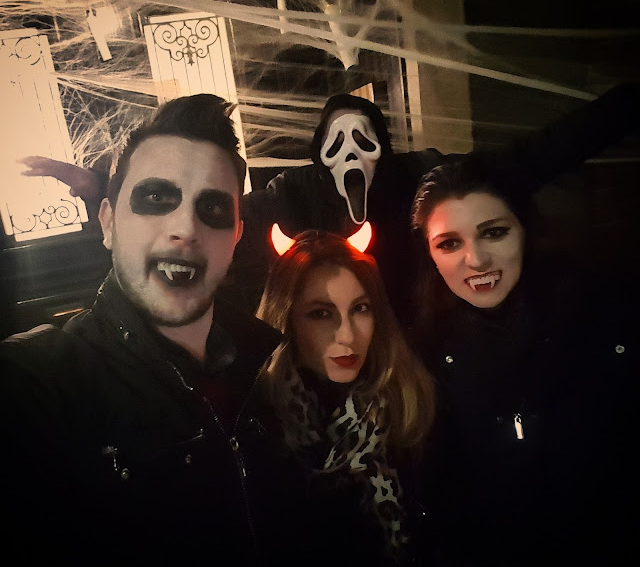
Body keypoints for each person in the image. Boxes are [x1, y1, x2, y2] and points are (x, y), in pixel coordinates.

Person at [18, 83, 640, 322]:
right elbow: (210, 221)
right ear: (320, 157)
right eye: (336, 146)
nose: (352, 156)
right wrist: (109, 194)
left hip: (428, 343)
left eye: (365, 142)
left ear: (384, 150)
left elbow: (533, 156)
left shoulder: (421, 177)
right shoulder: (292, 194)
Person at [0, 94, 307, 564]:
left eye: (212, 207)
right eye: (157, 198)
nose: (185, 227)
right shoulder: (37, 384)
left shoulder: (272, 367)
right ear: (107, 223)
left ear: (236, 237)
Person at [409, 155, 637, 566]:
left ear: (525, 230)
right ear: (429, 254)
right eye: (449, 243)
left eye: (494, 233)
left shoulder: (601, 319)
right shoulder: (421, 356)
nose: (476, 260)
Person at [255, 230, 437, 565]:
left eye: (360, 309)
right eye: (321, 313)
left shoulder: (407, 404)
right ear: (286, 320)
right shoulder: (254, 424)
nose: (347, 335)